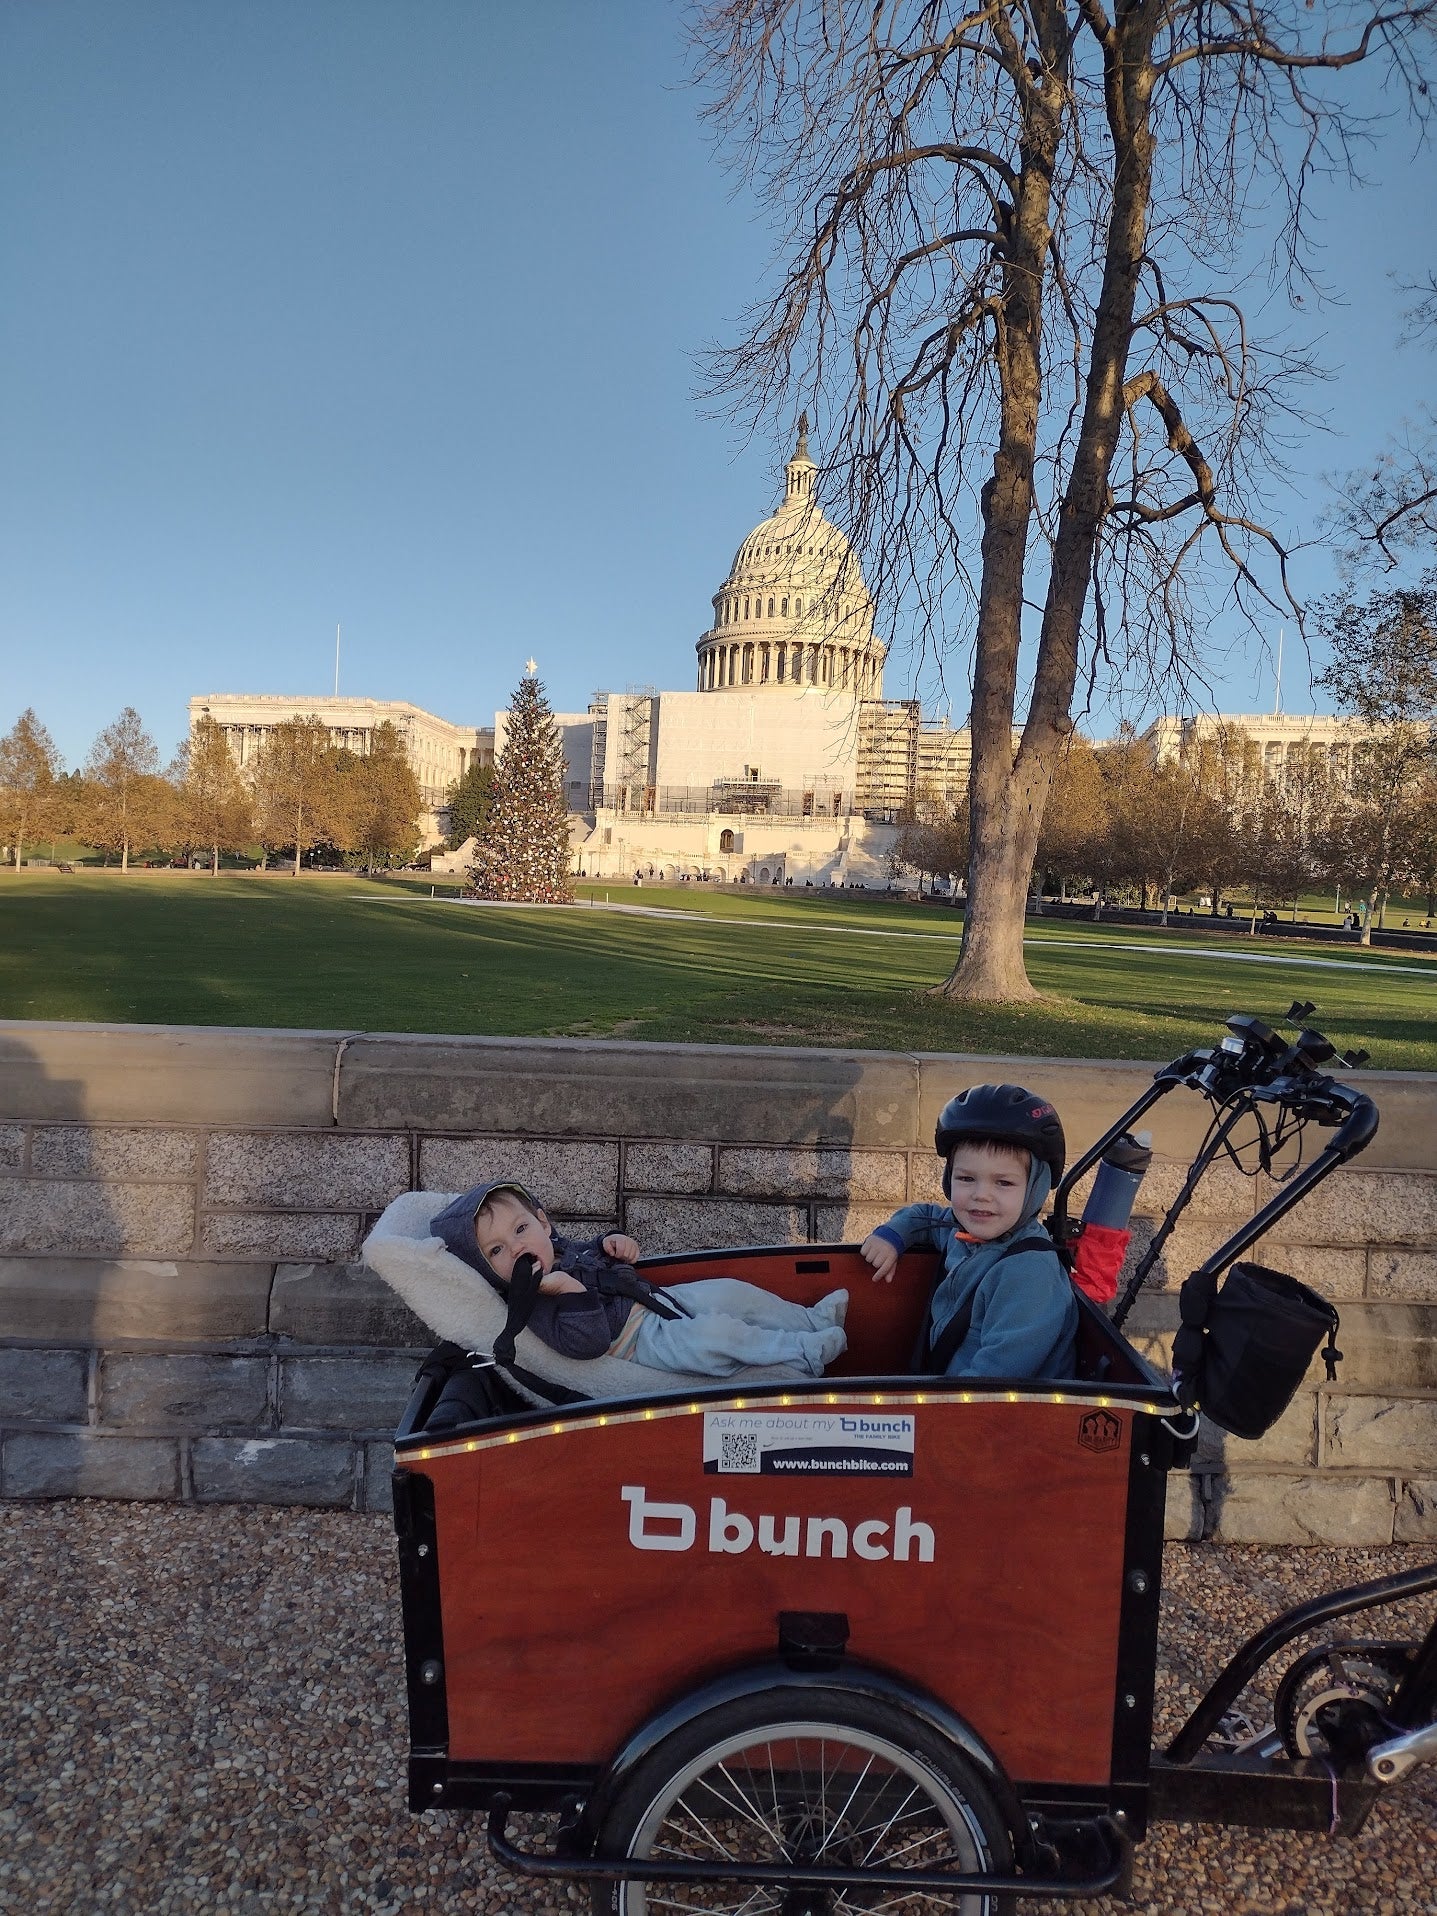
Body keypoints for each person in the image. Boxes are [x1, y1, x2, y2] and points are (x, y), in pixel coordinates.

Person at [431, 1180, 848, 1378]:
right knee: (718, 1337)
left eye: (520, 1230)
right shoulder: (533, 1304)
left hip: (656, 1300)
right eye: (497, 1251)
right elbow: (589, 1342)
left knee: (733, 1293)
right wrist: (568, 1290)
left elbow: (594, 1255)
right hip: (637, 1341)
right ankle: (802, 1351)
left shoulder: (561, 1249)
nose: (517, 1249)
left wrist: (612, 1243)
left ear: (543, 1223)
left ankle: (808, 1319)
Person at [860, 1084, 1077, 1379]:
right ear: (949, 1179)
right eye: (966, 1178)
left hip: (1000, 1412)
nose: (981, 1195)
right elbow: (928, 1217)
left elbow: (998, 1373)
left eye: (1003, 1183)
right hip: (950, 1389)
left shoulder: (1029, 1272)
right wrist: (892, 1236)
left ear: (1034, 1189)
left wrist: (937, 1413)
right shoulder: (963, 1230)